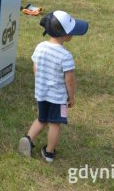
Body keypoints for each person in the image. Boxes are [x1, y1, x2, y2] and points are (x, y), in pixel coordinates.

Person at [18, 10, 89, 163]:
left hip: (42, 93)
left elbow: (36, 68)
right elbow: (69, 79)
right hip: (58, 98)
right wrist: (71, 96)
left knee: (41, 119)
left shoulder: (40, 47)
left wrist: (42, 81)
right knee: (55, 124)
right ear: (64, 34)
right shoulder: (65, 56)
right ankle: (49, 153)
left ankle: (28, 139)